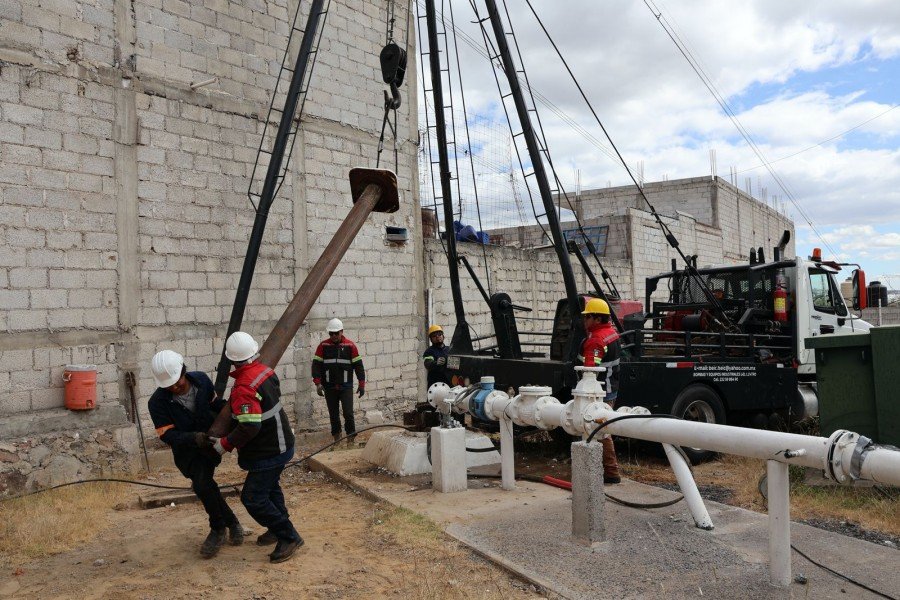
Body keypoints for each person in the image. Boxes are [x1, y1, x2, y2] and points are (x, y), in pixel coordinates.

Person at [208, 331, 303, 563]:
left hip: (268, 451)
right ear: (253, 352)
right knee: (270, 488)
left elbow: (250, 427)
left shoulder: (243, 386)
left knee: (253, 498)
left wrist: (224, 444)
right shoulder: (264, 371)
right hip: (281, 443)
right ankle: (278, 528)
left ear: (231, 360)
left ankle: (288, 536)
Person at [147, 350, 243, 558]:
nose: (174, 387)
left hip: (210, 444)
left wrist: (234, 410)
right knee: (204, 485)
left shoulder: (201, 381)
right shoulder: (157, 403)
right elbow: (167, 435)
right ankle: (228, 523)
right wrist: (193, 438)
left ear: (184, 371)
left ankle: (219, 528)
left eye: (177, 382)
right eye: (169, 385)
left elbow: (215, 405)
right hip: (187, 453)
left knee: (203, 485)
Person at [579, 298, 622, 484]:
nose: (585, 320)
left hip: (598, 391)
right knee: (602, 429)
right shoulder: (611, 333)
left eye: (587, 317)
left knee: (600, 431)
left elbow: (589, 371)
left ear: (597, 319)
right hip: (610, 388)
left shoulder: (596, 340)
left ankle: (611, 472)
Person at [312, 318, 366, 443]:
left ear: (341, 331)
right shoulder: (323, 346)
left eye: (336, 333)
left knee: (348, 413)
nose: (334, 336)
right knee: (333, 415)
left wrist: (361, 384)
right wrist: (318, 383)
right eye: (331, 333)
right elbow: (316, 365)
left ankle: (350, 439)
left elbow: (358, 366)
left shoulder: (350, 346)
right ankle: (337, 439)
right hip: (329, 387)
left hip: (346, 386)